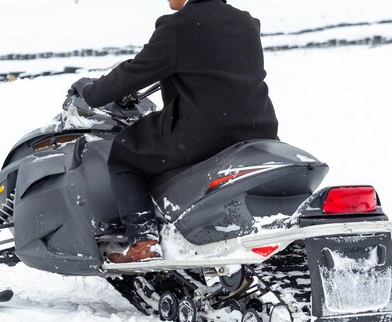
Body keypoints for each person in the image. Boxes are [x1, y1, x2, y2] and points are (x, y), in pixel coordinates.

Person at [70, 0, 278, 263]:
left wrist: (91, 92)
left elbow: (136, 70)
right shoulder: (246, 22)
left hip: (202, 133)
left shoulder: (178, 26)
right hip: (258, 129)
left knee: (124, 151)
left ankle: (143, 240)